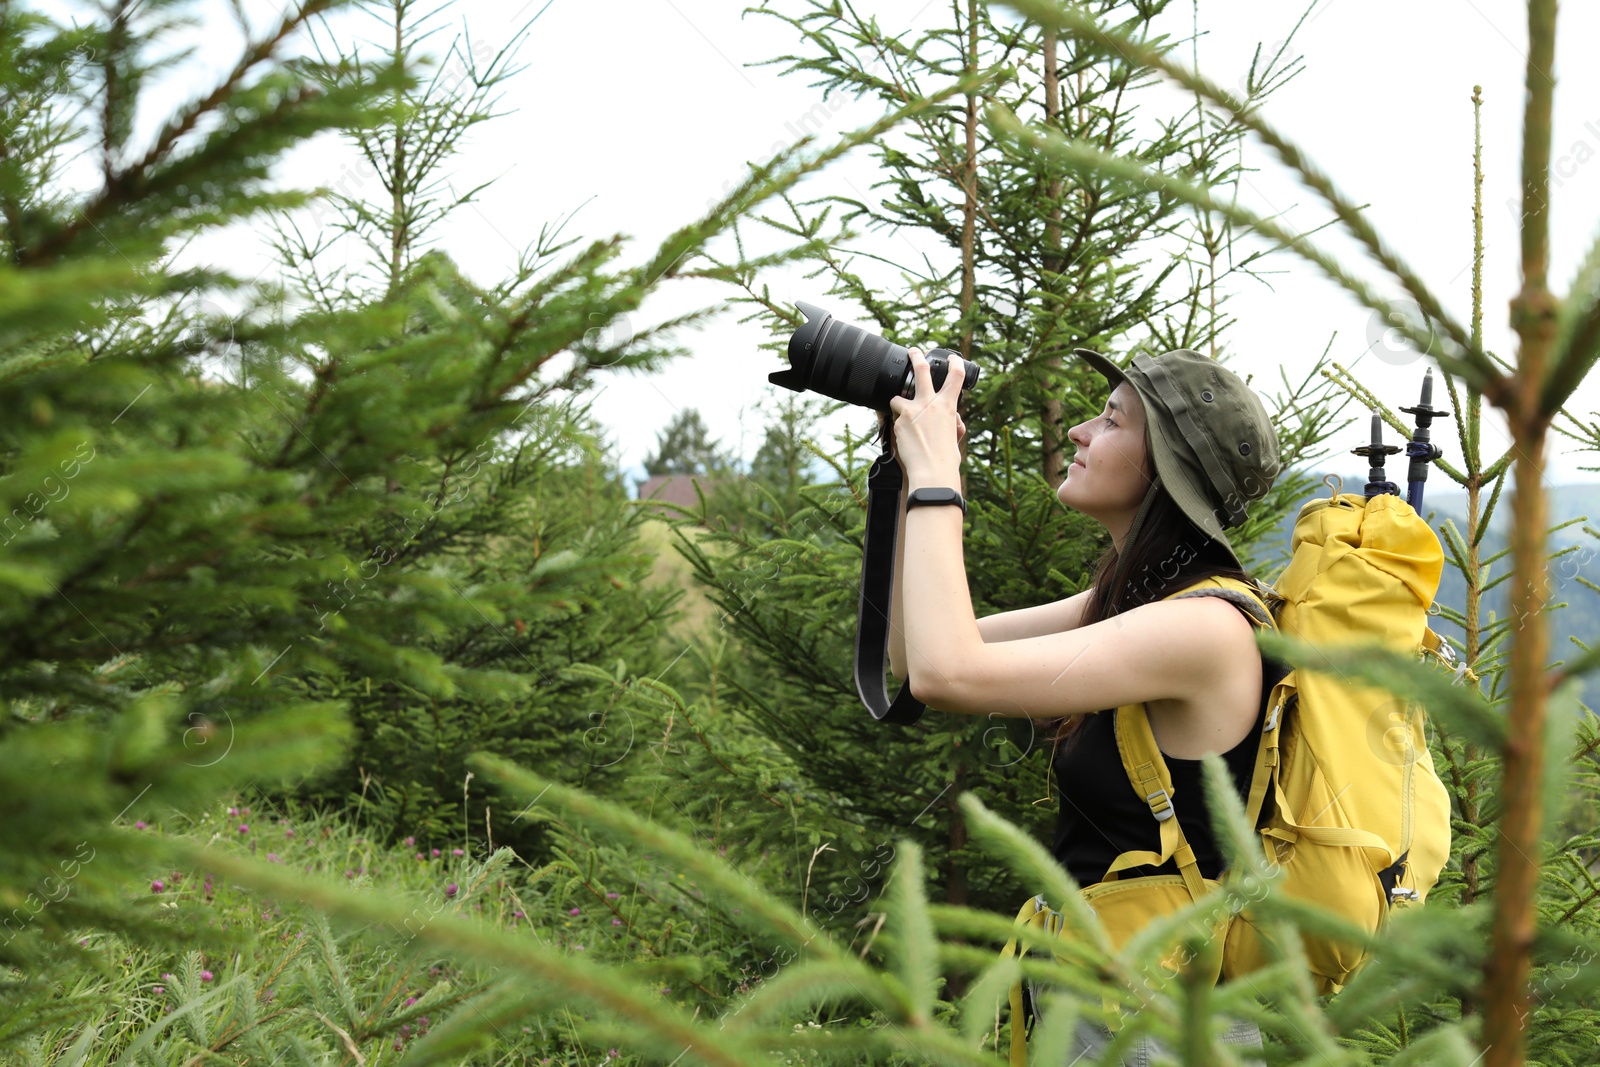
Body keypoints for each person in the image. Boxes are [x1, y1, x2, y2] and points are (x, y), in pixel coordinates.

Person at [883, 343, 1284, 1063]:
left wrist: (942, 473)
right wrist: (908, 480)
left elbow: (950, 672)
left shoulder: (1207, 628)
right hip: (1103, 1007)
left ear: (1164, 467)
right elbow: (915, 657)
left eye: (1110, 420)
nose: (1079, 432)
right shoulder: (1134, 600)